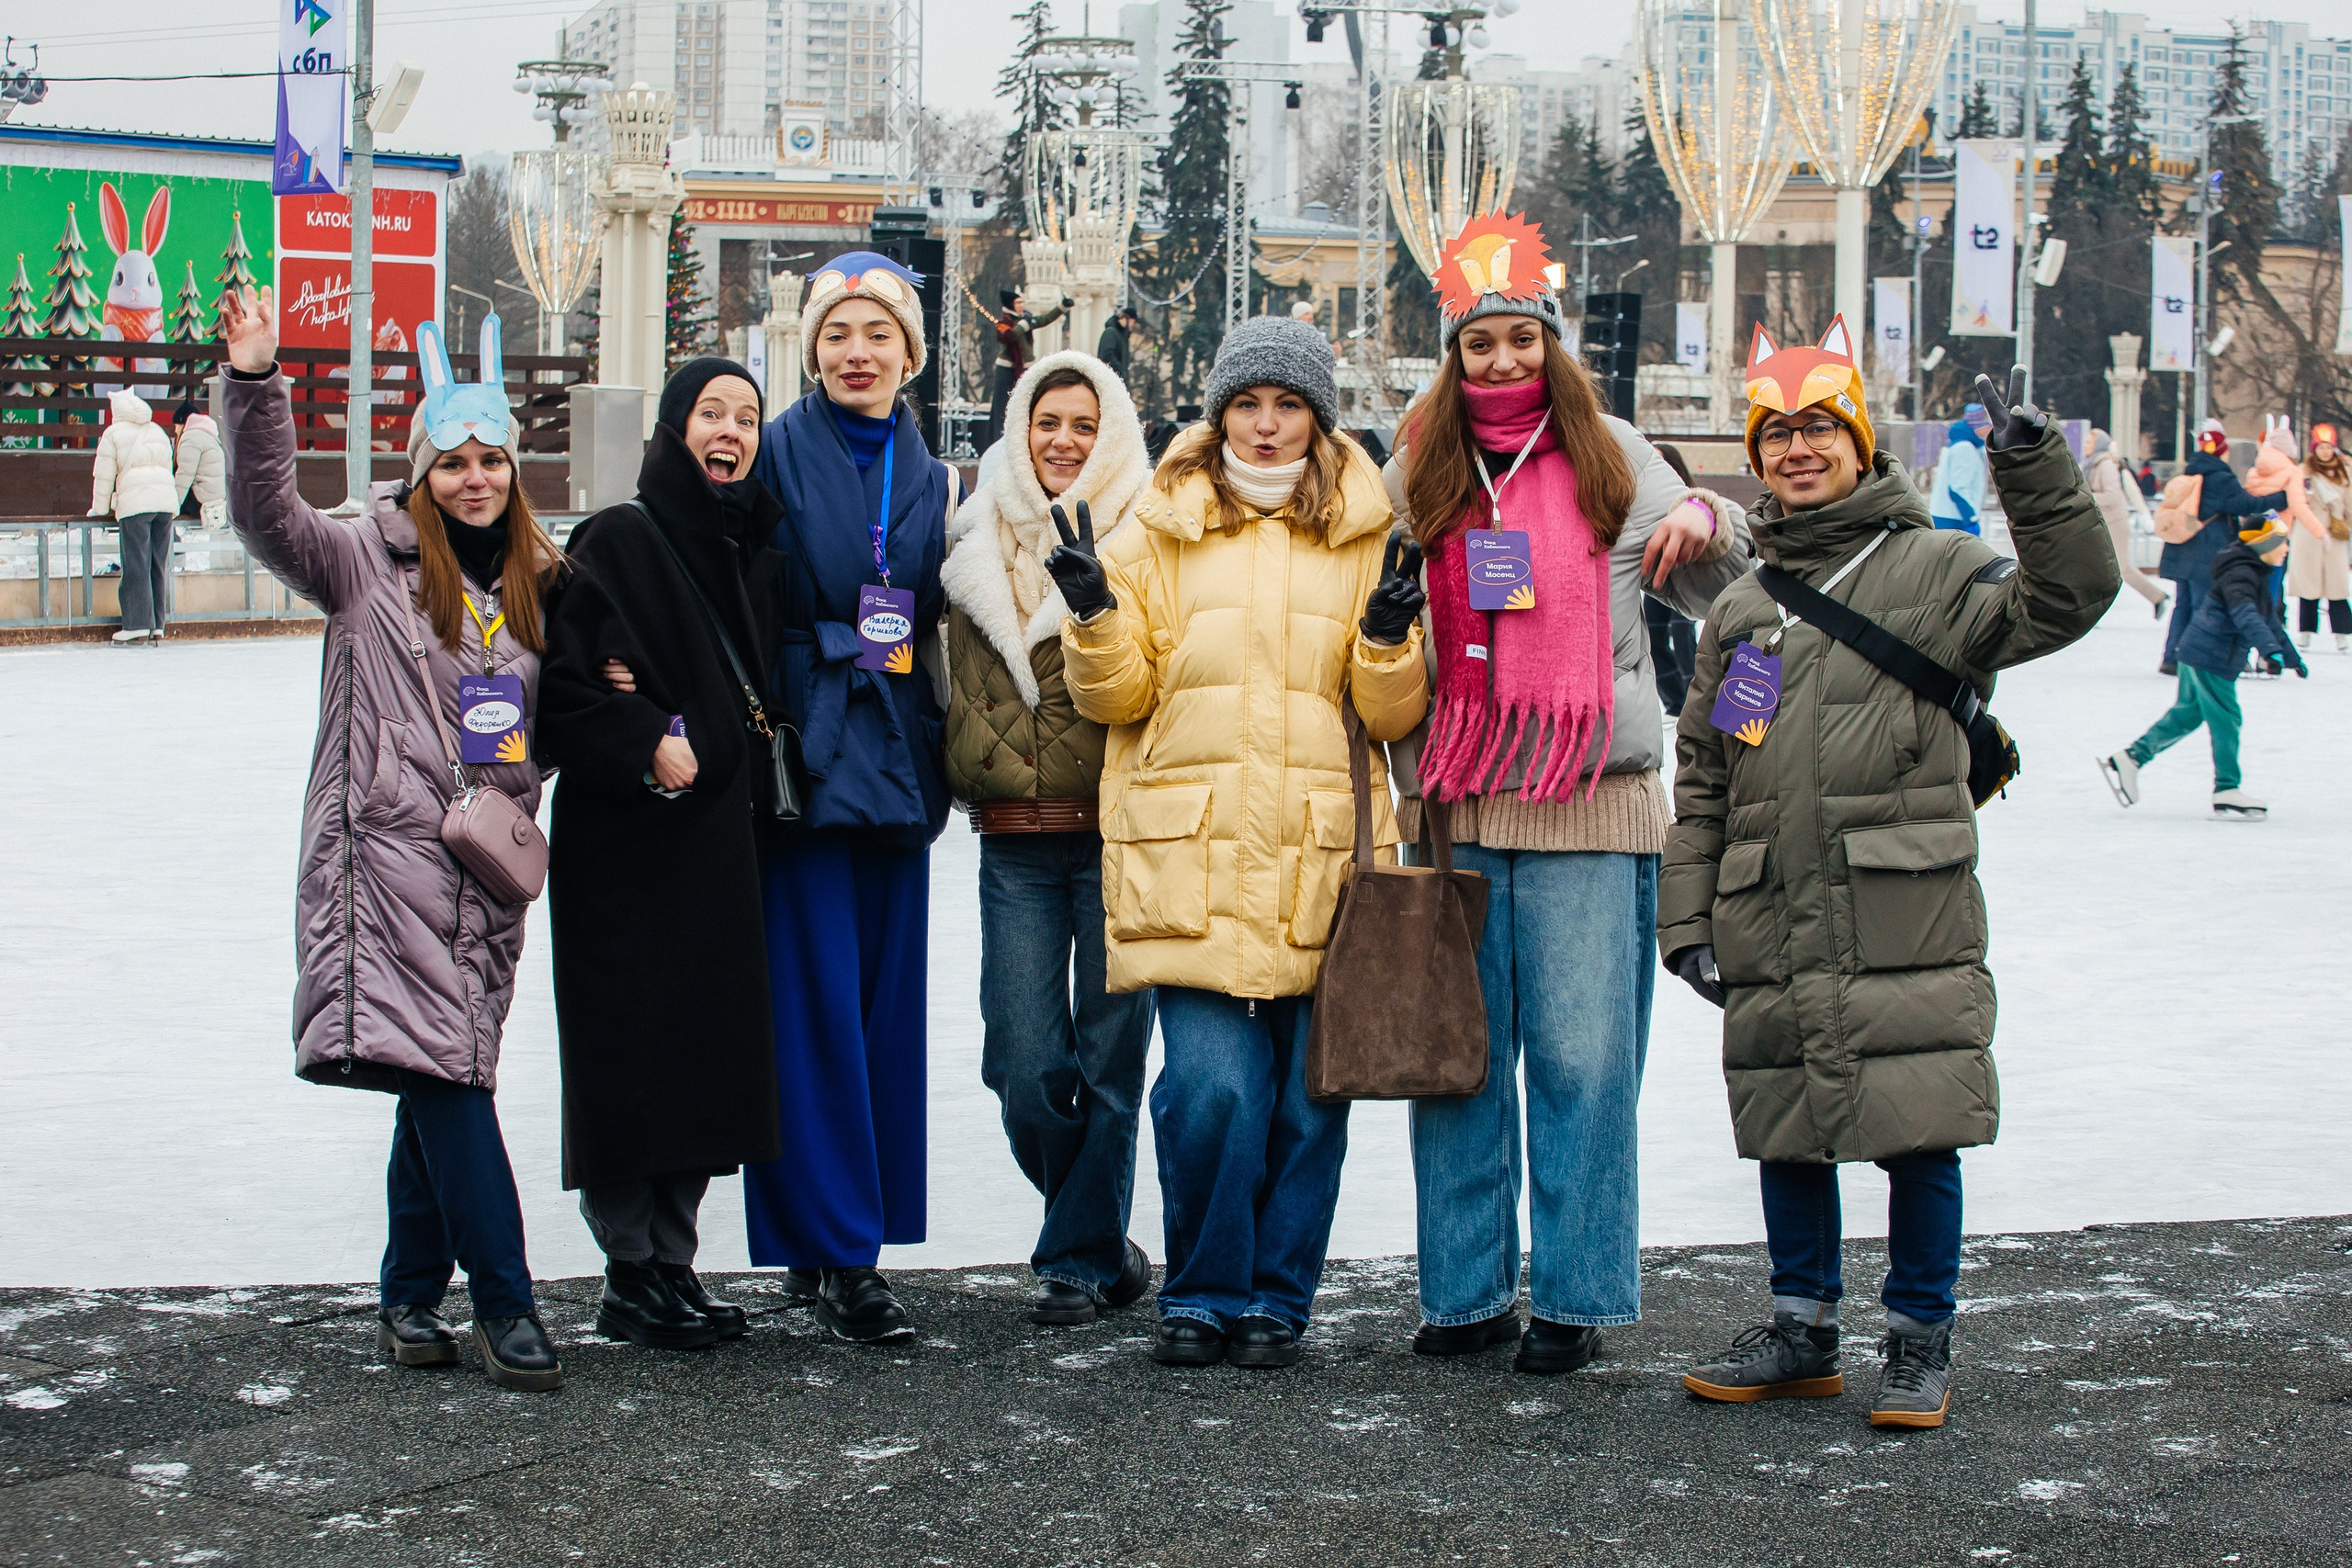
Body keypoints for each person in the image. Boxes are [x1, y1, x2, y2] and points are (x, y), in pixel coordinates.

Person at [1664, 342, 2118, 1430]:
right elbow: (1712, 770)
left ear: (1860, 440)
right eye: (1776, 433)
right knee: (1784, 1122)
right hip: (1770, 901)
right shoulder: (1745, 608)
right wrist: (1688, 917)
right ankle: (1801, 1332)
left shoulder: (1938, 569)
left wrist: (2031, 468)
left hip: (1898, 904)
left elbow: (2072, 595)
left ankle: (1919, 1341)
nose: (1798, 448)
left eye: (1820, 425)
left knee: (1916, 1127)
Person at [1378, 215, 1754, 1375]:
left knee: (1587, 1063)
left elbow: (1730, 580)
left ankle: (1578, 1297)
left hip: (1592, 799)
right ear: (1453, 355)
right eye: (1478, 345)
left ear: (1551, 347)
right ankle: (1466, 1293)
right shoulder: (1416, 470)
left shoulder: (1615, 455)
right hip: (1459, 804)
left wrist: (1709, 514)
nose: (1500, 364)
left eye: (1518, 342)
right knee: (1460, 1062)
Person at [1051, 314, 1430, 1371]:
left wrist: (1391, 639)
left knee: (1310, 1107)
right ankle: (1204, 1291)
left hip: (1322, 855)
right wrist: (1092, 616)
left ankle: (1277, 1299)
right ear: (1219, 414)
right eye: (1248, 405)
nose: (1265, 428)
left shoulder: (1366, 532)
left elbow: (1389, 716)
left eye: (1288, 405)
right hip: (1198, 850)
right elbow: (1116, 696)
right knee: (1211, 1090)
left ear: (1317, 416)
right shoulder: (1153, 529)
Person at [214, 287, 566, 1393]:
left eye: (492, 460)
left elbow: (571, 714)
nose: (473, 478)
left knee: (437, 1074)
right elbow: (268, 515)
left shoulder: (543, 584)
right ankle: (507, 1306)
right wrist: (259, 386)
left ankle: (409, 1298)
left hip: (488, 873)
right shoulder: (363, 562)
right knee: (454, 1082)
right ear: (420, 473)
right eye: (452, 461)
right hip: (388, 864)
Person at [536, 357, 788, 1352]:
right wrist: (641, 732)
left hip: (720, 848)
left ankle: (670, 1265)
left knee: (702, 1060)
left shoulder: (753, 542)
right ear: (676, 427)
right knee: (633, 1060)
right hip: (630, 854)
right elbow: (565, 692)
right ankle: (629, 1269)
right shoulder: (619, 537)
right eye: (710, 412)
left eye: (747, 417)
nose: (729, 430)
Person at [745, 252, 958, 1343]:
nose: (857, 352)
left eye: (878, 334)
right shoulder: (768, 455)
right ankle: (837, 1251)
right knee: (811, 1001)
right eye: (838, 334)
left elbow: (938, 608)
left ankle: (849, 1224)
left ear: (909, 355)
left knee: (883, 1003)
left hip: (896, 749)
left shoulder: (933, 476)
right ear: (812, 348)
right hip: (806, 745)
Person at [944, 351, 1159, 1325]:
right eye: (1045, 422)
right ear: (1019, 430)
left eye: (1081, 424)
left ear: (1109, 430)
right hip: (1015, 841)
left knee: (1110, 1061)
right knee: (1025, 1066)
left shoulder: (1149, 531)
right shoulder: (971, 526)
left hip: (1121, 832)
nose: (1063, 441)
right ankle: (1104, 1243)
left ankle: (1075, 1259)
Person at [2101, 520, 2306, 819]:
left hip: (2196, 651)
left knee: (2187, 715)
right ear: (2264, 546)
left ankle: (2131, 758)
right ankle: (2227, 787)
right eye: (2281, 543)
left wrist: (2289, 656)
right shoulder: (2242, 573)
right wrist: (2268, 649)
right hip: (2211, 656)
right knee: (2227, 718)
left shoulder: (2251, 570)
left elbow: (2268, 620)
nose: (2286, 549)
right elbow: (2245, 614)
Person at [2163, 421, 2283, 674]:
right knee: (2201, 605)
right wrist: (2280, 498)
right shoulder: (2219, 477)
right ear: (2222, 449)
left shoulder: (2192, 471)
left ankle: (2171, 657)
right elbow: (2245, 504)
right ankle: (2189, 660)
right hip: (2206, 550)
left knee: (2182, 604)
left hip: (2183, 547)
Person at [88, 387, 178, 644]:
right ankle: (157, 625)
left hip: (137, 504)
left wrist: (100, 508)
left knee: (136, 564)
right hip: (164, 504)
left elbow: (104, 475)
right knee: (156, 565)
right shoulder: (157, 431)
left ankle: (137, 624)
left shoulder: (113, 433)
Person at [1645, 442, 1706, 716]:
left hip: (1686, 576)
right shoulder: (1644, 497)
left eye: (1660, 461)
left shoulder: (1689, 499)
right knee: (1653, 637)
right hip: (1657, 579)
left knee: (1682, 636)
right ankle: (1674, 702)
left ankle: (1694, 701)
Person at [2084, 427, 2167, 616]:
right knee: (2094, 568)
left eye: (2089, 442)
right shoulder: (2093, 464)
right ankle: (2089, 611)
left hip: (2115, 524)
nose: (2085, 445)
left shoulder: (2105, 465)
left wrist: (2085, 497)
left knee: (2123, 569)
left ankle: (2158, 597)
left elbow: (2113, 497)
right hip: (2103, 524)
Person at [2290, 421, 2352, 650]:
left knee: (2336, 585)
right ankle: (2306, 631)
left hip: (2335, 534)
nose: (2325, 452)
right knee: (2309, 585)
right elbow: (2297, 499)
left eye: (2328, 447)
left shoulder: (2345, 472)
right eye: (2320, 447)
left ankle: (2342, 633)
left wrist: (2347, 525)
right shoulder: (2303, 471)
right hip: (2309, 533)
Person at [988, 287, 1071, 448]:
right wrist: (1023, 326)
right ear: (1010, 305)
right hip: (1006, 370)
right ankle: (998, 442)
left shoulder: (1027, 319)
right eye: (1017, 303)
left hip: (1024, 369)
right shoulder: (1003, 322)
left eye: (1021, 302)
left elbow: (1045, 319)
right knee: (1002, 406)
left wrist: (1062, 307)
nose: (1021, 305)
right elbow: (1007, 337)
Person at [171, 396, 226, 527]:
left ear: (183, 423)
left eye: (176, 425)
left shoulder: (191, 438)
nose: (175, 430)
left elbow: (185, 473)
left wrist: (173, 505)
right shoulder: (208, 436)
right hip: (214, 498)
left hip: (202, 500)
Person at [1927, 413, 1986, 534]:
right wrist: (1970, 519)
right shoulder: (1964, 448)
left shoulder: (1957, 445)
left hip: (1947, 516)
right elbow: (1958, 488)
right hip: (1954, 518)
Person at [1095, 304, 1141, 384]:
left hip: (1116, 379)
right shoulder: (1111, 333)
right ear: (1127, 319)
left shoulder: (1122, 336)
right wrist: (1120, 370)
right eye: (1133, 322)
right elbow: (1106, 356)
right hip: (1111, 380)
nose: (1132, 325)